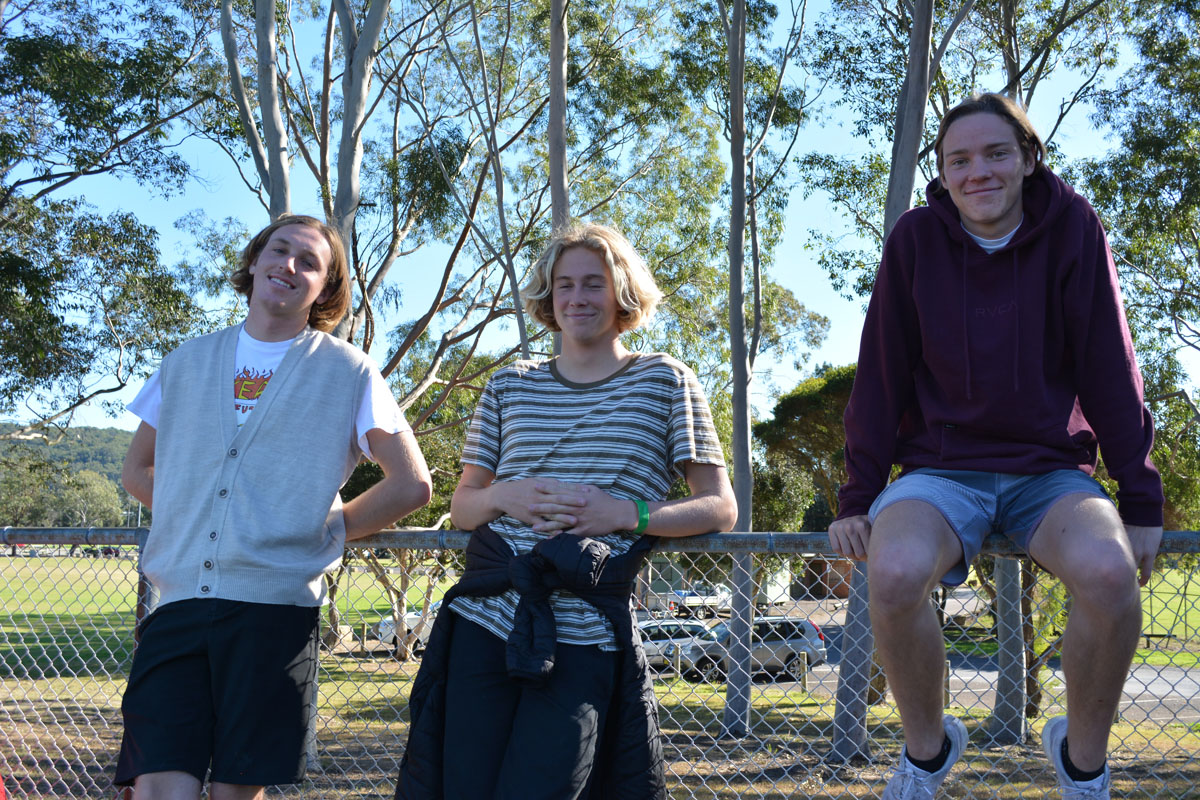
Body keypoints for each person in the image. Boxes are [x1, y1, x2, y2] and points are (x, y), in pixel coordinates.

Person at [829, 93, 1164, 800]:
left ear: (1028, 159)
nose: (976, 171)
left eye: (995, 153)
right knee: (893, 573)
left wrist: (1140, 499)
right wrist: (857, 496)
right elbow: (882, 373)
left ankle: (1082, 766)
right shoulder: (916, 240)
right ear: (943, 173)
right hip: (941, 469)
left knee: (1111, 577)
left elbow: (1110, 366)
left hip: (1049, 469)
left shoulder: (1073, 227)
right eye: (958, 160)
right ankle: (926, 756)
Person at [394, 221, 737, 800]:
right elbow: (464, 507)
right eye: (564, 285)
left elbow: (720, 507)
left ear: (622, 292)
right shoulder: (508, 385)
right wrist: (503, 495)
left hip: (587, 629)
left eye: (593, 283)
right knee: (463, 785)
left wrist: (626, 513)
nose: (577, 297)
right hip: (486, 619)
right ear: (548, 297)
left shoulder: (666, 380)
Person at [114, 214, 433, 800]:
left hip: (274, 616)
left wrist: (325, 528)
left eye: (309, 262)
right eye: (279, 250)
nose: (289, 265)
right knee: (159, 789)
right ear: (255, 261)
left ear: (326, 288)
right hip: (176, 607)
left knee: (235, 793)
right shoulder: (186, 361)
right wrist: (195, 515)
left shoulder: (350, 371)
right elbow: (136, 471)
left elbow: (411, 485)